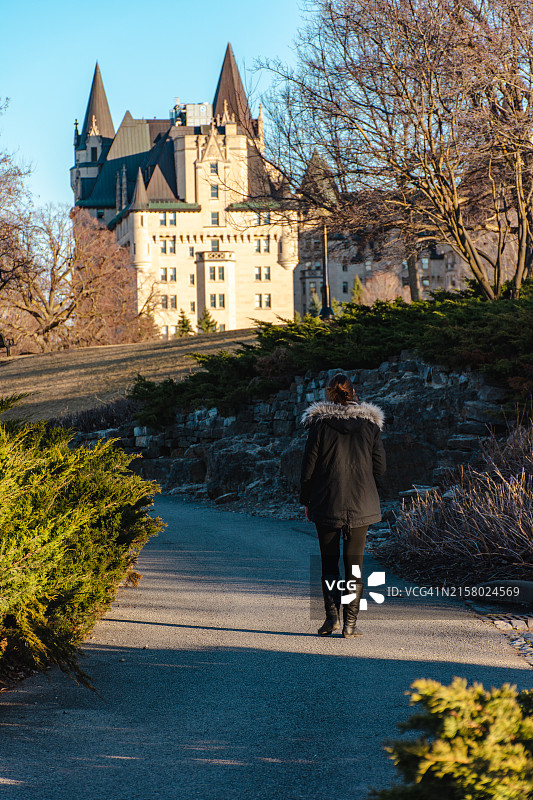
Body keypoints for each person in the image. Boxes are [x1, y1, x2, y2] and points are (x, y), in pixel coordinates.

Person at [300, 373, 386, 637]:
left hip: (326, 503)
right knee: (355, 565)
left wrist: (306, 500)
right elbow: (380, 469)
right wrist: (370, 492)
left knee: (329, 563)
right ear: (353, 392)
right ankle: (350, 624)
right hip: (362, 504)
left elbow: (308, 470)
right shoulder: (370, 426)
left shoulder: (319, 426)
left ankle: (331, 619)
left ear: (330, 394)